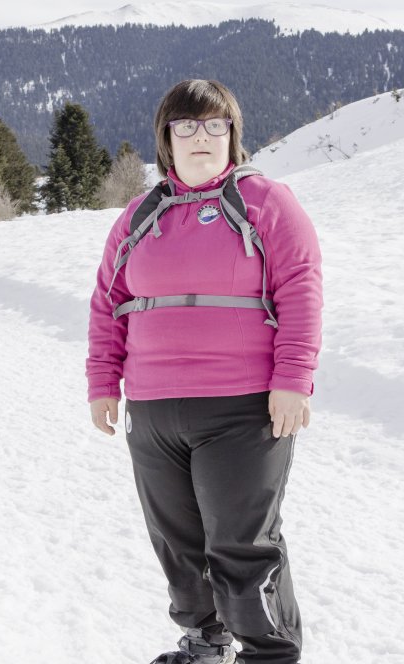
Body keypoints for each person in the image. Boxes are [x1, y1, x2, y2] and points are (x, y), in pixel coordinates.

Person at [86, 80, 322, 664]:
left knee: (241, 543)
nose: (201, 137)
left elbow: (301, 288)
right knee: (178, 543)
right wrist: (101, 382)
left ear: (232, 135)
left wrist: (293, 379)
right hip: (154, 409)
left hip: (242, 408)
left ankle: (269, 654)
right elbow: (106, 301)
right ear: (166, 139)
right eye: (186, 126)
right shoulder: (140, 216)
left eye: (215, 125)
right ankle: (203, 641)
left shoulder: (266, 201)